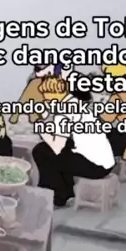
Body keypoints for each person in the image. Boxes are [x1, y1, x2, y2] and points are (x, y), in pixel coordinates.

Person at [32, 76, 115, 207]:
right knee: (52, 152)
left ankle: (57, 196)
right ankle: (64, 192)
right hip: (104, 162)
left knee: (41, 151)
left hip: (95, 166)